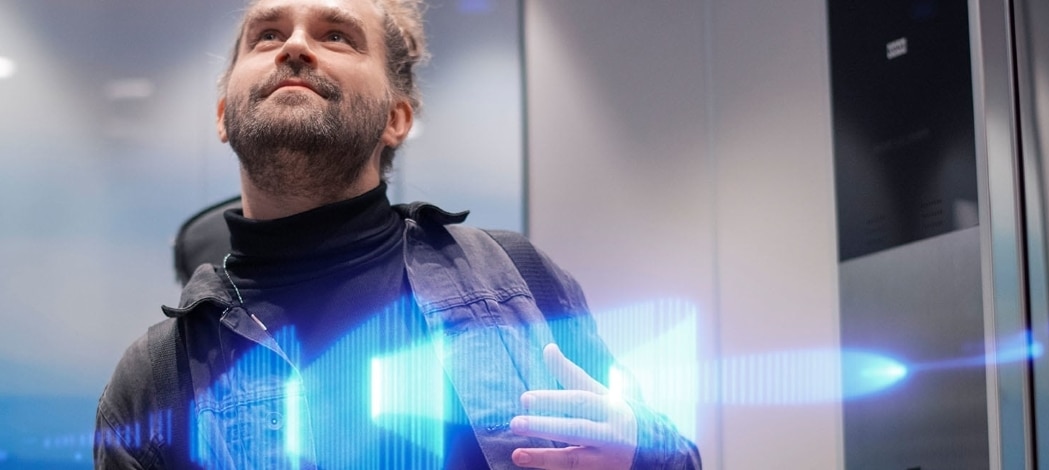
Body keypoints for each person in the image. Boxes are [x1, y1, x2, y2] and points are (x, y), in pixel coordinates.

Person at [95, 0, 701, 468]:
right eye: (268, 35)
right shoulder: (156, 375)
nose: (295, 46)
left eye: (336, 35)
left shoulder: (519, 276)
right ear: (225, 114)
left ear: (396, 118)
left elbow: (673, 456)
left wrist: (638, 455)